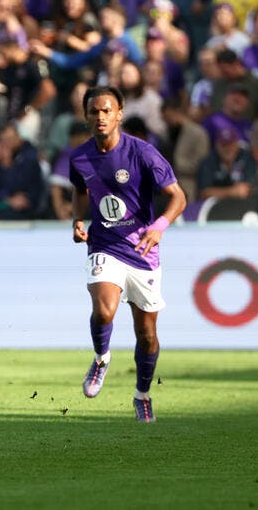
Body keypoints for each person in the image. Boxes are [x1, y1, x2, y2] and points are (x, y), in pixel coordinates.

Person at [69, 86, 186, 423]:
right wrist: (79, 220)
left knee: (146, 335)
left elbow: (178, 196)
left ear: (119, 113)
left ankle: (142, 394)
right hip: (105, 243)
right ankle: (101, 358)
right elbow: (80, 191)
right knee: (104, 311)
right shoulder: (79, 157)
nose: (101, 116)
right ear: (87, 115)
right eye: (94, 111)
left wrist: (159, 226)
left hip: (142, 249)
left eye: (107, 110)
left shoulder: (143, 153)